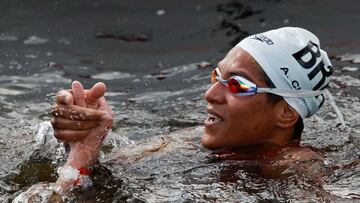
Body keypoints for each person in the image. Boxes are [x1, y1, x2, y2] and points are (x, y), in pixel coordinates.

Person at [14, 27, 336, 201]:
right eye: (216, 76)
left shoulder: (295, 167)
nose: (210, 95)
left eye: (237, 85)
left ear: (285, 113)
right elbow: (86, 186)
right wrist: (85, 150)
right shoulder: (192, 141)